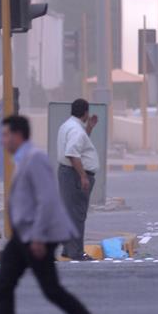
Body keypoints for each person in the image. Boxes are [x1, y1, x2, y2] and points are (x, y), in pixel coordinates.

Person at [0, 116, 117, 314]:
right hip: (24, 236)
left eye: (6, 135)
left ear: (18, 136)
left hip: (36, 236)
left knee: (53, 291)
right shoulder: (23, 159)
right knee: (3, 285)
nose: (3, 140)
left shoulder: (35, 159)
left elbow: (47, 199)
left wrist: (39, 237)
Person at [57, 98, 100, 260]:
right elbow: (72, 153)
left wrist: (89, 128)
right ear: (85, 113)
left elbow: (79, 144)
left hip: (67, 172)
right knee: (77, 214)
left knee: (70, 213)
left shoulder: (69, 125)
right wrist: (83, 176)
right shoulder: (76, 130)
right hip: (74, 174)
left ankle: (68, 249)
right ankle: (76, 252)